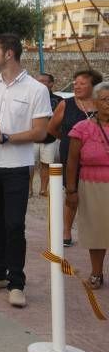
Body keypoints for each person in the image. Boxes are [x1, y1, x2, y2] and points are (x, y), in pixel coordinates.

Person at [0, 34, 51, 308]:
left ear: (8, 54)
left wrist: (6, 137)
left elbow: (40, 132)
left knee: (15, 224)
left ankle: (17, 283)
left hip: (16, 167)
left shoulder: (36, 90)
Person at [48, 69, 102, 247]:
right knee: (71, 191)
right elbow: (52, 128)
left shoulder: (102, 105)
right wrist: (67, 140)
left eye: (82, 83)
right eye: (75, 82)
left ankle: (96, 231)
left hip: (97, 158)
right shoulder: (66, 104)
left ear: (93, 87)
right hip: (70, 155)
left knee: (95, 193)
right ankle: (66, 231)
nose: (76, 86)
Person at [65, 82, 109, 290]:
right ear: (94, 103)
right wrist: (71, 191)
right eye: (104, 100)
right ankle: (97, 273)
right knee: (96, 232)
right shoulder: (82, 129)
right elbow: (72, 162)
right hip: (91, 186)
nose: (108, 104)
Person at [31, 74, 62, 198]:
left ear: (51, 84)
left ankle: (43, 189)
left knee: (46, 164)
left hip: (50, 138)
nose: (40, 83)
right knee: (29, 165)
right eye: (38, 81)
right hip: (31, 138)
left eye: (44, 81)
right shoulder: (29, 98)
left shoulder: (58, 100)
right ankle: (29, 189)